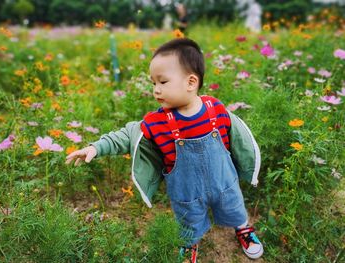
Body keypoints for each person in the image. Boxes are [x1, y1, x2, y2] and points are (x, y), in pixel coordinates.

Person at [66, 38, 263, 262]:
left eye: (163, 82)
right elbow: (126, 135)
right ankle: (190, 244)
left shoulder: (215, 108)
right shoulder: (156, 122)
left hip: (224, 181)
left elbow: (238, 138)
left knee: (234, 206)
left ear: (190, 82)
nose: (156, 90)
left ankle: (242, 228)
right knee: (189, 220)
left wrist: (247, 165)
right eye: (153, 83)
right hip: (186, 191)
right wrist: (96, 147)